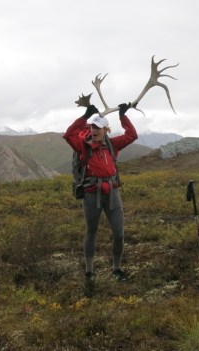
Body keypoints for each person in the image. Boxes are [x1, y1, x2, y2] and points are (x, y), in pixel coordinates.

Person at [63, 102, 138, 282]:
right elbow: (68, 135)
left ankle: (117, 269)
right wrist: (84, 117)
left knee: (119, 234)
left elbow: (132, 135)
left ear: (106, 130)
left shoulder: (113, 145)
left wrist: (123, 116)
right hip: (91, 194)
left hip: (112, 194)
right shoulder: (83, 146)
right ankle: (89, 271)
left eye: (97, 128)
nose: (93, 130)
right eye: (92, 127)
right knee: (91, 232)